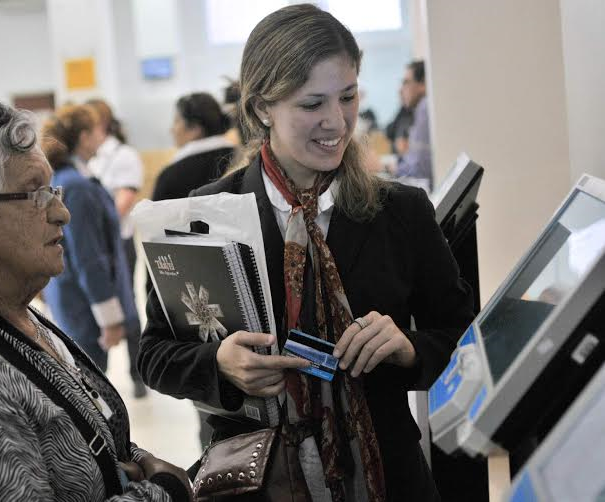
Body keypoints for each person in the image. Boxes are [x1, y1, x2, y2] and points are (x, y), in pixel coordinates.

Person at [137, 5, 474, 501]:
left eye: (348, 97)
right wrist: (220, 364)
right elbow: (155, 354)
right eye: (312, 103)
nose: (336, 121)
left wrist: (408, 347)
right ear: (261, 109)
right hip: (260, 481)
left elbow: (464, 336)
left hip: (386, 478)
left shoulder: (399, 212)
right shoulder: (205, 216)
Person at [0, 100, 189, 501]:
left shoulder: (8, 316)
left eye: (52, 189)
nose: (61, 212)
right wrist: (164, 492)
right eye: (34, 193)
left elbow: (90, 435)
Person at [41, 104, 143, 394]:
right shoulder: (76, 186)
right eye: (98, 128)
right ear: (84, 136)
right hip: (84, 310)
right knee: (92, 393)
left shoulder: (67, 178)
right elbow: (89, 258)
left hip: (73, 301)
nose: (104, 134)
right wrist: (109, 319)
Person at [86, 99, 147, 398]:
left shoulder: (123, 155)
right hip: (93, 244)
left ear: (101, 125)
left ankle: (137, 375)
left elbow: (123, 202)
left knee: (126, 306)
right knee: (96, 305)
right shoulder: (89, 159)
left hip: (117, 243)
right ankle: (99, 376)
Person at [151, 92, 234, 202]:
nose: (172, 130)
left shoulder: (173, 175)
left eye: (176, 121)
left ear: (195, 129)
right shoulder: (240, 157)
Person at [385, 60, 433, 190]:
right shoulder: (419, 109)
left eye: (406, 82)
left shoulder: (424, 107)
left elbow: (419, 171)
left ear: (423, 84)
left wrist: (384, 167)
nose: (401, 90)